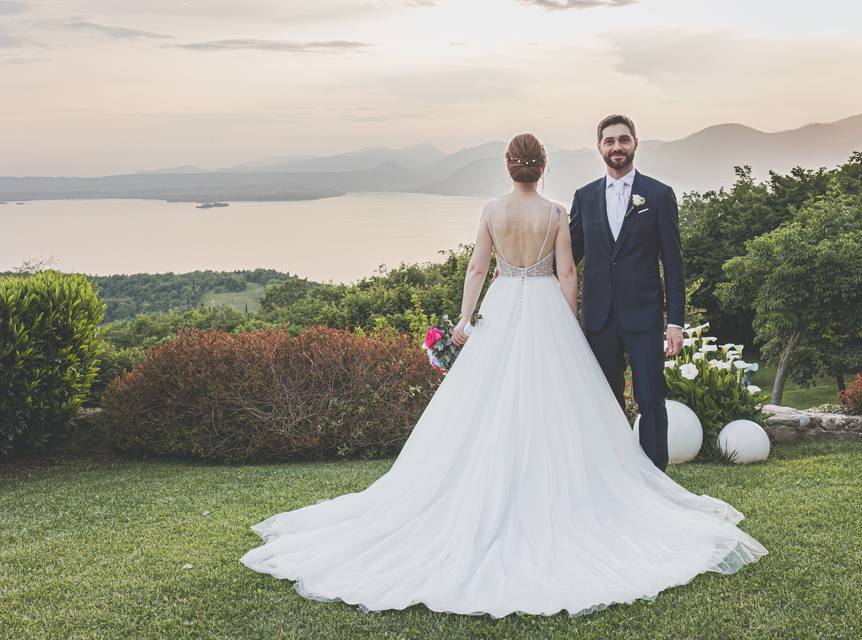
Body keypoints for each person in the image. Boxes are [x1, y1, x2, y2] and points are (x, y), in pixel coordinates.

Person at [240, 133, 767, 618]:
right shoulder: (558, 212)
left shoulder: (492, 210)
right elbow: (567, 273)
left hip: (499, 304)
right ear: (543, 168)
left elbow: (475, 268)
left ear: (509, 167)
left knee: (483, 406)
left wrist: (466, 321)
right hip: (544, 308)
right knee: (556, 405)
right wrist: (567, 324)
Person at [569, 113, 684, 472]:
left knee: (651, 398)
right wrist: (519, 266)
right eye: (609, 140)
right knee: (605, 400)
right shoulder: (584, 198)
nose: (616, 146)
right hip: (598, 317)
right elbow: (569, 257)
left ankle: (655, 478)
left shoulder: (658, 195)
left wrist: (675, 322)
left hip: (645, 316)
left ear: (635, 143)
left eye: (623, 139)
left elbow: (674, 263)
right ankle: (614, 476)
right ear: (599, 147)